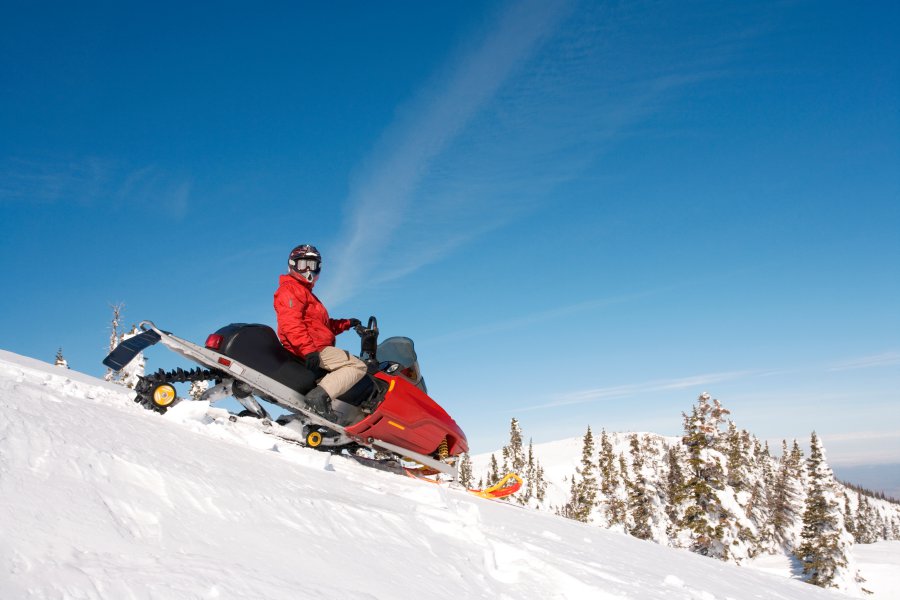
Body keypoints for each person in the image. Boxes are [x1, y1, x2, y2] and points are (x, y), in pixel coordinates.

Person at [273, 244, 367, 418]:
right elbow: (290, 323)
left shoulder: (305, 292)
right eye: (303, 265)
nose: (308, 270)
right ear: (292, 265)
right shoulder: (290, 289)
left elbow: (320, 326)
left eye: (312, 265)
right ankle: (319, 398)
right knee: (357, 366)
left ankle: (330, 410)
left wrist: (346, 324)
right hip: (312, 348)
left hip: (314, 345)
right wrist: (309, 351)